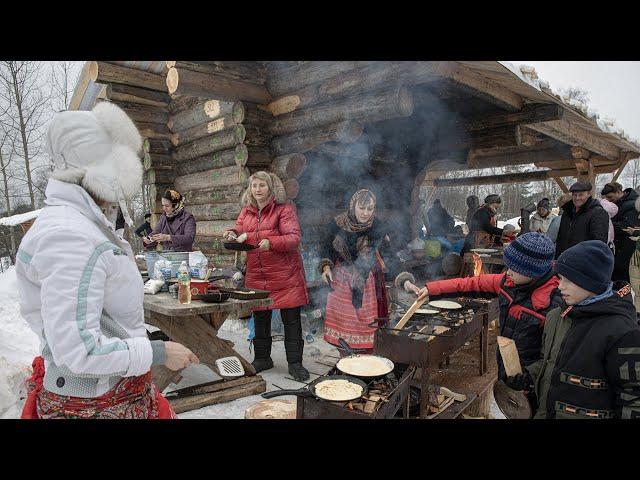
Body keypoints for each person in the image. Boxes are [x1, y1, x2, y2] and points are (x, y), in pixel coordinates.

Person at [15, 102, 198, 419]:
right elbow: (79, 350)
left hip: (111, 390)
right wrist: (158, 351)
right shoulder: (71, 237)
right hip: (94, 401)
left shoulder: (80, 225)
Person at [405, 233, 562, 389]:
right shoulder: (508, 282)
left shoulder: (553, 304)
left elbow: (555, 357)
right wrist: (431, 289)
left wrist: (530, 377)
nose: (508, 272)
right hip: (507, 367)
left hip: (534, 381)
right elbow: (471, 284)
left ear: (532, 272)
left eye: (514, 268)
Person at [507, 241, 640, 419]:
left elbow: (633, 397)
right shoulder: (558, 317)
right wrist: (530, 375)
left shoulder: (621, 331)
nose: (560, 286)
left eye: (568, 280)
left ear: (590, 282)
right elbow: (552, 361)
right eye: (560, 278)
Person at [223, 171, 310, 381]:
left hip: (285, 274)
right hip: (258, 273)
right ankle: (263, 358)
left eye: (262, 185)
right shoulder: (247, 211)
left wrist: (268, 241)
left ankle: (295, 363)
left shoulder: (284, 209)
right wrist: (232, 233)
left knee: (291, 320)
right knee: (261, 318)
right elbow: (240, 229)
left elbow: (293, 238)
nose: (257, 190)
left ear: (271, 188)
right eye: (254, 186)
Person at [318, 189, 410, 353]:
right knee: (344, 328)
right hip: (342, 281)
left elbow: (389, 255)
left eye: (370, 209)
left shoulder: (378, 227)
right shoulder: (337, 224)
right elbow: (325, 248)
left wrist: (404, 280)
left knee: (368, 328)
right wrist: (325, 267)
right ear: (353, 206)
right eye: (362, 208)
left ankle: (366, 362)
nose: (366, 213)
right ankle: (345, 360)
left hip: (370, 282)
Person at [554, 181, 609, 259]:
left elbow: (599, 243)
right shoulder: (567, 212)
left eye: (581, 195)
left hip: (583, 261)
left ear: (589, 194)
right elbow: (560, 238)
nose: (577, 198)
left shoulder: (598, 213)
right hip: (565, 259)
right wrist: (557, 258)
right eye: (574, 195)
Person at [601, 182, 640, 281]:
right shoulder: (620, 204)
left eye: (610, 197)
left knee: (623, 280)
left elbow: (627, 227)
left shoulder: (631, 206)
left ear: (618, 192)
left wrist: (607, 224)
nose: (609, 201)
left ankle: (623, 295)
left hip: (626, 250)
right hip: (619, 248)